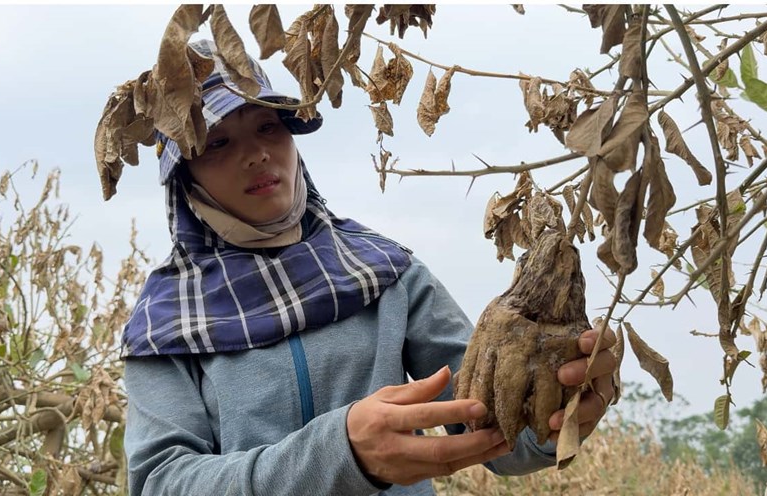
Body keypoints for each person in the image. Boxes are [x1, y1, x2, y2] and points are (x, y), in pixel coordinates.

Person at [121, 39, 617, 496]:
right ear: (184, 175)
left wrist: (561, 405)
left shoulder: (385, 273)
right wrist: (342, 453)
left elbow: (490, 427)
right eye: (217, 143)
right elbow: (161, 482)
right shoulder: (165, 323)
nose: (256, 154)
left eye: (268, 126)